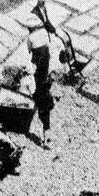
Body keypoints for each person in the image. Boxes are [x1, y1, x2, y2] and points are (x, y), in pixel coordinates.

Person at [26, 13, 55, 148]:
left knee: (42, 115)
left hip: (38, 69)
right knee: (46, 120)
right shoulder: (43, 33)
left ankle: (44, 138)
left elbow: (29, 51)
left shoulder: (30, 37)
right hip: (45, 59)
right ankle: (46, 138)